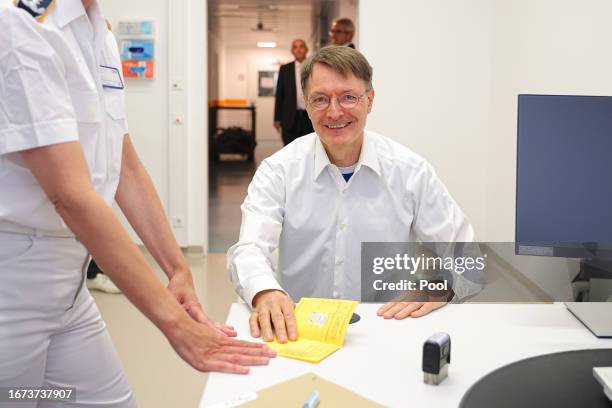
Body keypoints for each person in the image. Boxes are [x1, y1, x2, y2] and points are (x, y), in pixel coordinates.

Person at [0, 1, 274, 406]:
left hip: (69, 285)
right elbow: (71, 197)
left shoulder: (98, 33)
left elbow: (124, 165)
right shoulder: (19, 24)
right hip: (14, 283)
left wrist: (177, 268)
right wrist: (175, 324)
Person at [227, 45, 480, 344]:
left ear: (370, 100)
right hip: (300, 332)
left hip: (389, 330)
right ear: (306, 106)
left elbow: (468, 257)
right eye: (320, 99)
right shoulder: (278, 170)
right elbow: (249, 249)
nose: (334, 112)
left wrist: (440, 287)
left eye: (348, 97)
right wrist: (265, 291)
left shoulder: (410, 171)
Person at [273, 39, 314, 146]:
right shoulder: (285, 69)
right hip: (290, 117)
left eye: (301, 46)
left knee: (309, 148)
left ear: (306, 50)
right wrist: (277, 118)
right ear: (292, 51)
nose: (298, 50)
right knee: (289, 148)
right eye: (295, 47)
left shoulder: (314, 67)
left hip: (310, 116)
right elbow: (279, 94)